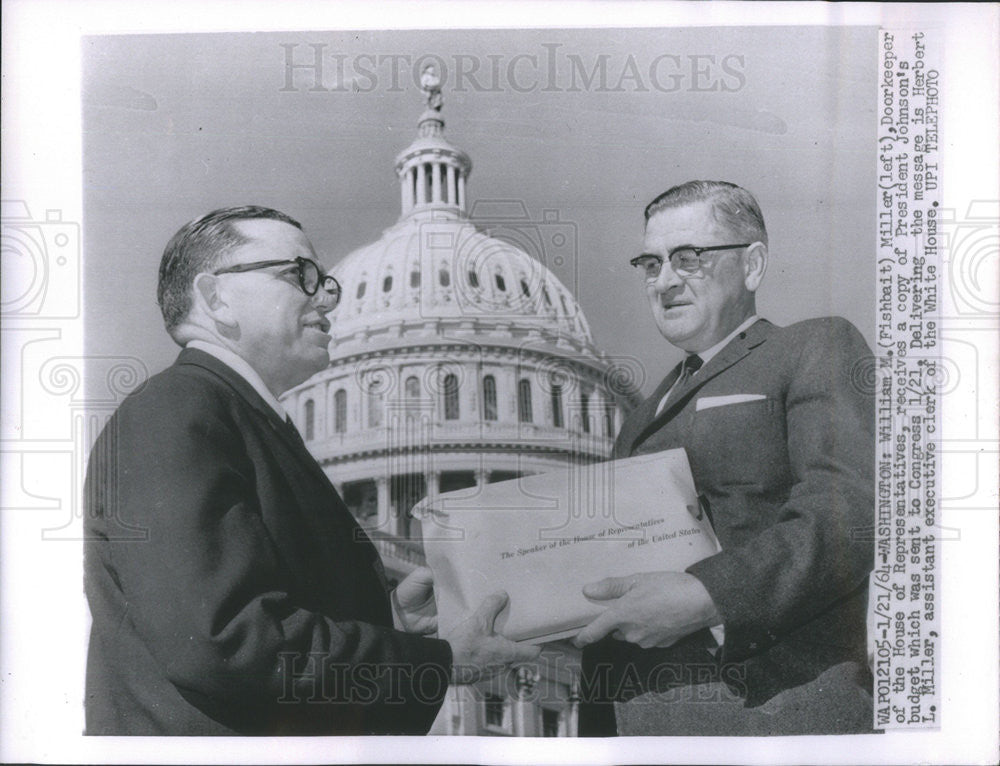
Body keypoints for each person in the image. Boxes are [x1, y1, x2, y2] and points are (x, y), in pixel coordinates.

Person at [83, 206, 538, 735]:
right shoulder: (179, 410)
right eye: (299, 275)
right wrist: (436, 662)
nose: (325, 296)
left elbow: (248, 618)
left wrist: (390, 623)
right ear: (215, 298)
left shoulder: (246, 420)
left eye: (324, 282)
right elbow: (224, 641)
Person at [574, 181, 875, 736]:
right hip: (640, 723)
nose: (664, 281)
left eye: (689, 258)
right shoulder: (639, 419)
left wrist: (709, 594)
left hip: (776, 713)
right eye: (650, 263)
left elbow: (847, 514)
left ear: (753, 264)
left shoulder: (814, 347)